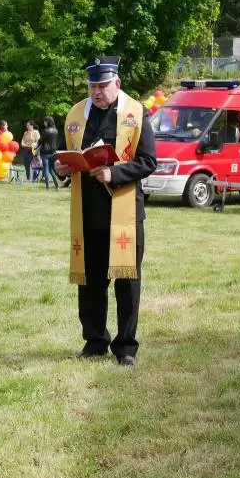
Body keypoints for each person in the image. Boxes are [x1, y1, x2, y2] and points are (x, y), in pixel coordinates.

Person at [54, 55, 157, 367]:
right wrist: (61, 168)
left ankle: (126, 347)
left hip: (124, 212)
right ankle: (95, 341)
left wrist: (116, 173)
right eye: (92, 86)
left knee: (127, 283)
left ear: (117, 83)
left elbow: (148, 161)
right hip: (88, 212)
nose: (96, 92)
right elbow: (65, 154)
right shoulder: (76, 114)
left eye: (102, 86)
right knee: (91, 284)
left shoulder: (136, 113)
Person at [38, 116, 60, 189]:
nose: (44, 123)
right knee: (51, 169)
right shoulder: (56, 130)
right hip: (53, 152)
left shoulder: (46, 131)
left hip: (45, 152)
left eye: (45, 121)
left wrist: (36, 146)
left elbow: (40, 141)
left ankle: (47, 186)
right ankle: (57, 185)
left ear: (47, 122)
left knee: (46, 169)